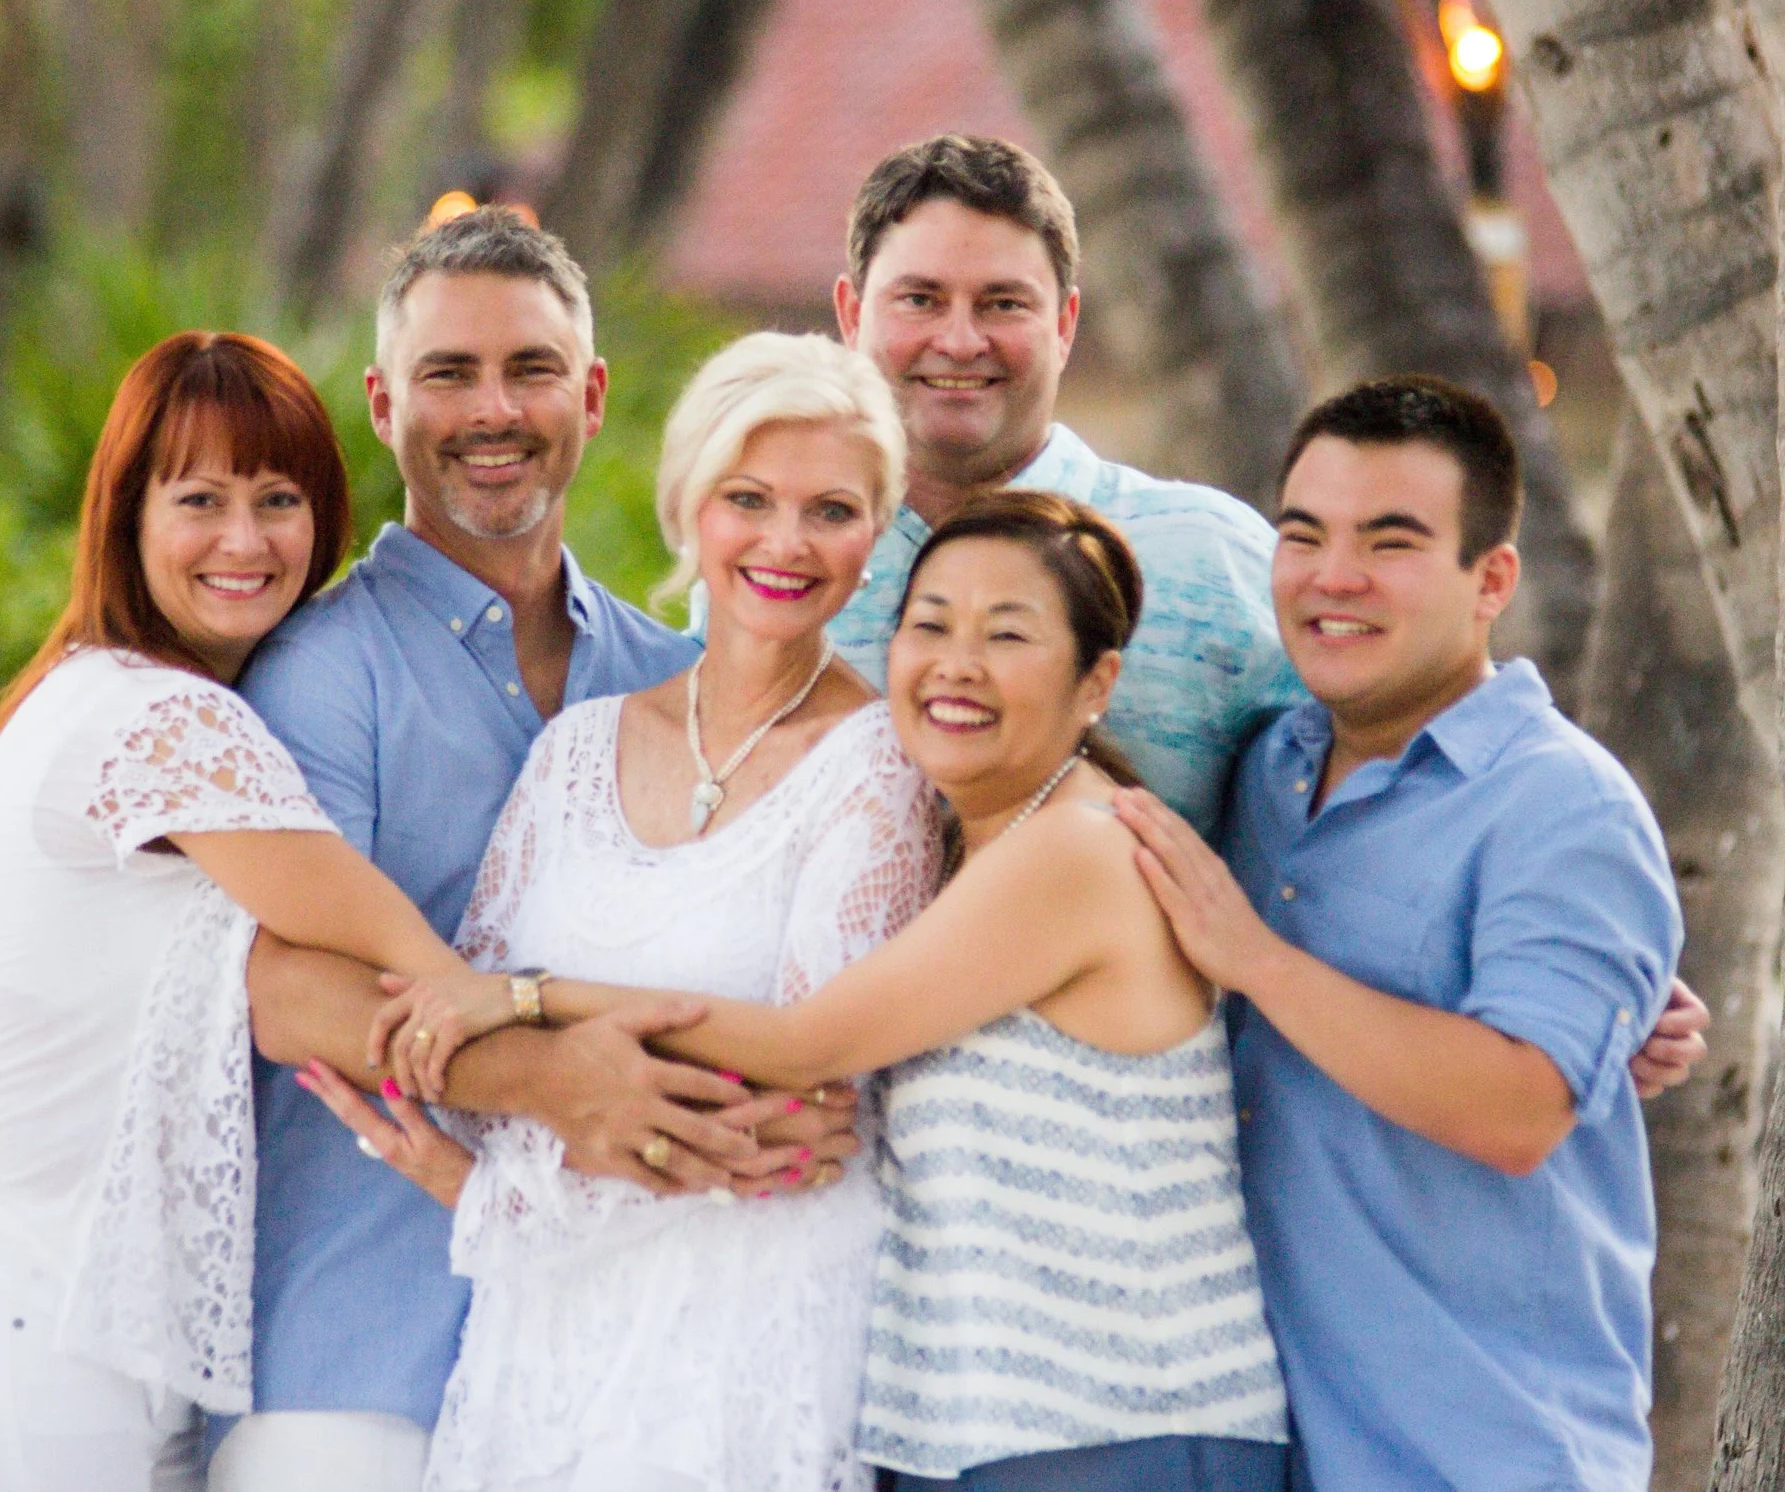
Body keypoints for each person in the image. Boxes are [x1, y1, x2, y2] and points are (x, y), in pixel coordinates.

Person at [395, 491, 1287, 1491]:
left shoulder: (1078, 846)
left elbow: (801, 1041)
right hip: (979, 1432)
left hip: (1116, 1427)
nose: (957, 661)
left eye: (1007, 634)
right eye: (931, 623)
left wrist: (524, 996)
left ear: (1096, 683)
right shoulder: (969, 856)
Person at [823, 134, 1710, 1094]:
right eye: (919, 300)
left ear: (1068, 322)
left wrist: (1573, 951)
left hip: (1138, 1161)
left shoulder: (1212, 558)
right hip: (831, 1150)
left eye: (1004, 304)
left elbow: (1407, 771)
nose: (960, 340)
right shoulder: (791, 565)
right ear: (851, 313)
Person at [0, 333, 568, 1491]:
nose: (245, 541)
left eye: (279, 498)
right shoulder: (148, 717)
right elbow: (376, 963)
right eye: (200, 499)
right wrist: (576, 1078)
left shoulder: (117, 702)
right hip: (23, 1331)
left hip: (110, 1344)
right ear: (127, 516)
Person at [216, 211, 858, 1489]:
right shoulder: (318, 672)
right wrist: (553, 1078)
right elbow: (280, 986)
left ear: (594, 394)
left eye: (532, 369)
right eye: (450, 373)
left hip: (619, 1363)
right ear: (386, 403)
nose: (492, 409)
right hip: (363, 1363)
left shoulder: (671, 673)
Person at [314, 330, 930, 1489]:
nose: (785, 543)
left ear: (878, 530)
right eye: (747, 497)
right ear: (687, 504)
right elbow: (472, 1048)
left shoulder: (881, 763)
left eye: (832, 510)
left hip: (755, 1346)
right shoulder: (576, 749)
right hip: (544, 1340)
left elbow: (794, 1109)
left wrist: (533, 1067)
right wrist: (488, 1174)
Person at [1115, 377, 1682, 1490]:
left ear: (1492, 578)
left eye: (1391, 541)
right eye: (1303, 534)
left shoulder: (1561, 806)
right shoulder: (1266, 763)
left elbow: (1518, 1106)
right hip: (1261, 1444)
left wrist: (1258, 962)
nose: (1334, 576)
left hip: (1479, 1453)